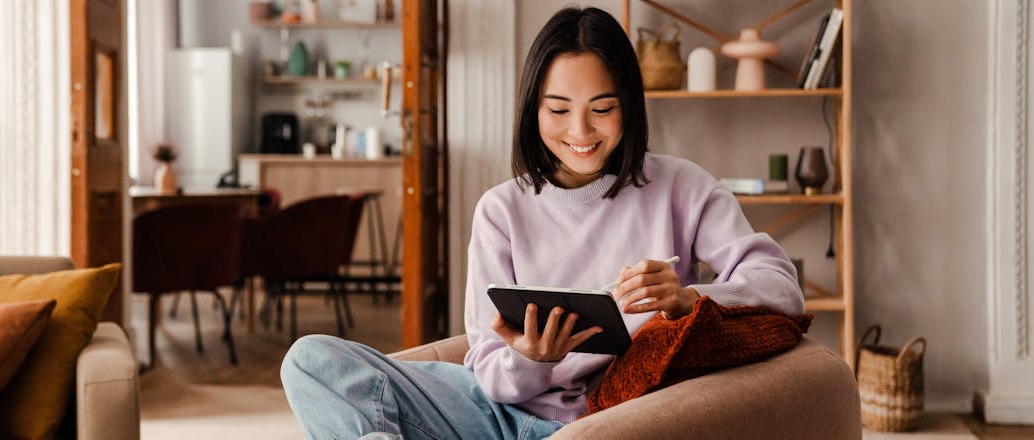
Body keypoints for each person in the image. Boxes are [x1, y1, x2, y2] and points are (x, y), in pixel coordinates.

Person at [280, 6, 804, 439]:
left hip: (601, 424)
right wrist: (531, 359)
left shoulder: (684, 188)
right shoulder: (500, 209)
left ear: (630, 107)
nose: (580, 131)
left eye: (602, 108)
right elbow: (488, 371)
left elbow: (782, 289)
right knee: (310, 361)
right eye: (558, 110)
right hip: (493, 413)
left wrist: (692, 298)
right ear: (533, 109)